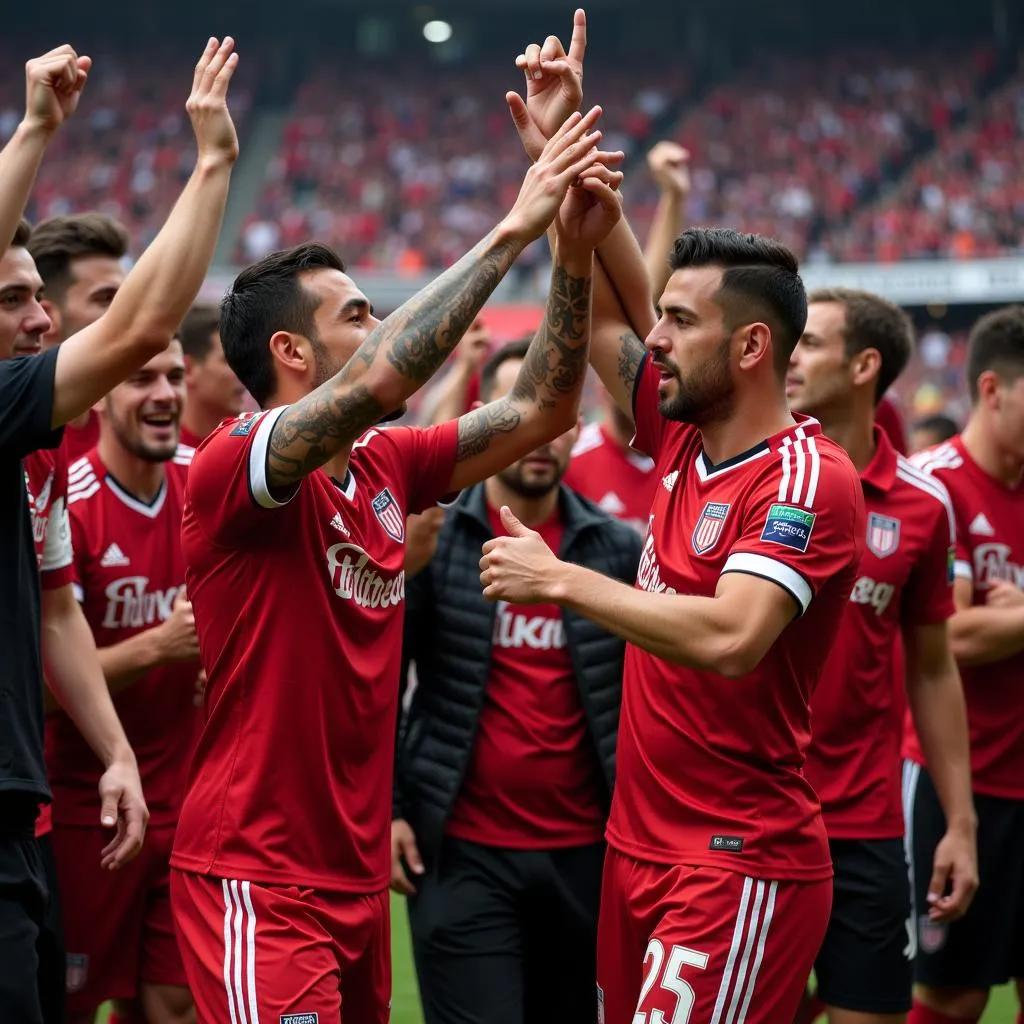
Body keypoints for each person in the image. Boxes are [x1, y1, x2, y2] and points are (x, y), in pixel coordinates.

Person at [170, 108, 625, 1022]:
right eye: (357, 313)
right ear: (291, 352)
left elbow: (541, 407)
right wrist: (513, 226)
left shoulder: (386, 464)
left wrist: (570, 253)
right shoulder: (239, 460)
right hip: (259, 872)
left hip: (352, 876)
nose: (379, 324)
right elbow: (379, 376)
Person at [479, 226, 865, 1024]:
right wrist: (587, 200)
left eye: (682, 321)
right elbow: (612, 323)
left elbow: (733, 638)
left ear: (753, 345)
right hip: (636, 848)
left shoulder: (808, 479)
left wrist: (562, 581)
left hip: (735, 860)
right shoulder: (684, 436)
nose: (655, 338)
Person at [0, 35, 240, 1022]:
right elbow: (144, 326)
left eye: (46, 301)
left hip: (32, 806)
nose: (44, 321)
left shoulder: (37, 454)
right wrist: (34, 133)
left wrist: (118, 752)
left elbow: (56, 612)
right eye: (16, 300)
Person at [392, 339, 642, 1024]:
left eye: (558, 418)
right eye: (521, 412)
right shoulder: (438, 540)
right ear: (486, 420)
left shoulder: (615, 548)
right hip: (463, 853)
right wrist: (387, 809)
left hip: (590, 855)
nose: (543, 436)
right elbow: (380, 679)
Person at [786, 287, 977, 1024]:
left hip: (864, 826)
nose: (789, 357)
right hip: (754, 817)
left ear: (865, 365)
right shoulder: (755, 474)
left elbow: (933, 668)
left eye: (809, 343)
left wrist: (959, 825)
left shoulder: (922, 506)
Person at [50, 338, 200, 1024]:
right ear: (103, 394)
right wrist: (161, 646)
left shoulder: (208, 485)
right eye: (142, 378)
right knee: (72, 1002)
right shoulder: (69, 505)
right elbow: (46, 673)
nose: (165, 393)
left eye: (175, 376)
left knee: (173, 1005)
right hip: (89, 808)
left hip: (191, 802)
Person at [904, 306, 1024, 1024]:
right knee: (954, 995)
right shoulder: (934, 486)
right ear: (991, 390)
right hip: (958, 784)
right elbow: (946, 639)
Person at [28, 213, 130, 461]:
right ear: (47, 316)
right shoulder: (19, 442)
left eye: (126, 297)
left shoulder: (134, 429)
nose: (127, 312)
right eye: (106, 298)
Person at [563, 387, 656, 535]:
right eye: (634, 382)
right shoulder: (570, 459)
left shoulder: (687, 458)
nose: (645, 390)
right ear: (604, 389)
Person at [177, 300, 246, 445]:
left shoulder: (247, 452)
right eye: (228, 360)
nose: (244, 370)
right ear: (188, 370)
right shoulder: (157, 458)